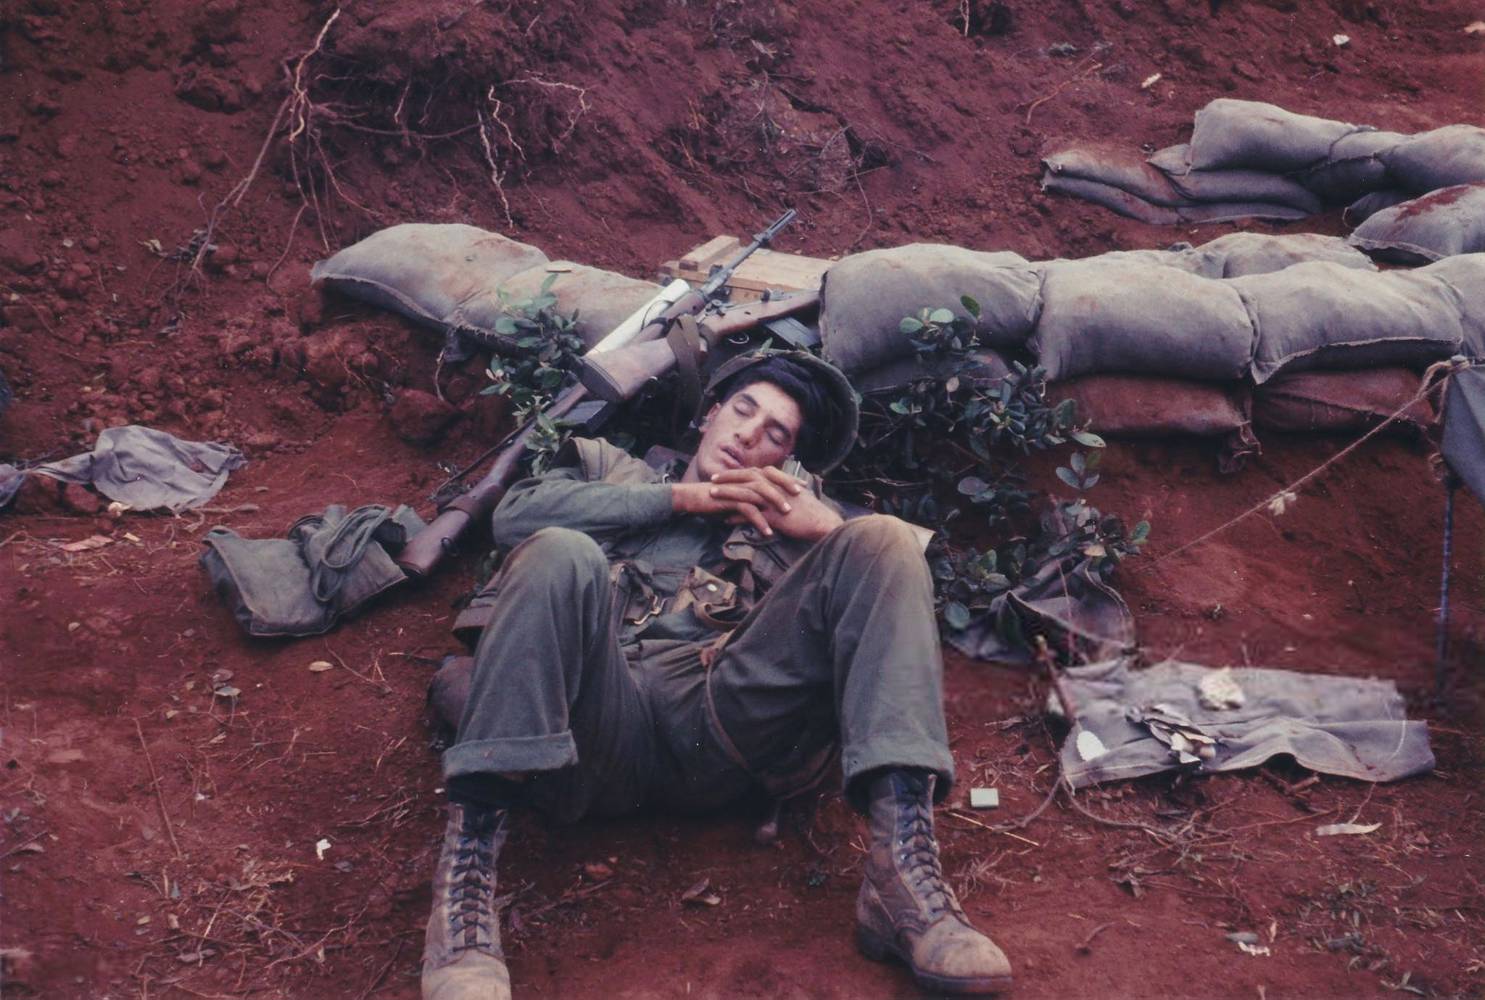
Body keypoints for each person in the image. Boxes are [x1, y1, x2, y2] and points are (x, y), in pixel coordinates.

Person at [420, 351, 1013, 999]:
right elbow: (514, 517)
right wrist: (682, 498)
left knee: (887, 539)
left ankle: (903, 887)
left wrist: (829, 528)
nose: (748, 435)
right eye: (742, 409)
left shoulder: (797, 517)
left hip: (718, 730)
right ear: (709, 412)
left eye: (776, 434)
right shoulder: (611, 472)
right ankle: (464, 914)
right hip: (589, 726)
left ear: (788, 461)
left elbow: (892, 575)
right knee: (562, 550)